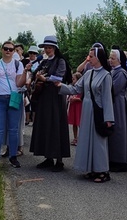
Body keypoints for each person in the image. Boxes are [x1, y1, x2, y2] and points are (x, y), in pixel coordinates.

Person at [58, 47, 114, 183]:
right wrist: (60, 86)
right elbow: (76, 89)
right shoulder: (88, 74)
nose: (89, 59)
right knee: (88, 139)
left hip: (98, 110)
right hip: (87, 109)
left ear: (98, 58)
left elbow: (107, 98)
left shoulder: (106, 75)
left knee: (99, 141)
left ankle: (103, 171)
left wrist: (109, 118)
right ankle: (92, 169)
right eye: (88, 56)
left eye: (91, 56)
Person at [29, 35, 71, 172]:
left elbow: (59, 77)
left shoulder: (61, 61)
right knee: (46, 126)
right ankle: (48, 157)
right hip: (44, 98)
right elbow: (35, 73)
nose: (47, 50)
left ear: (55, 48)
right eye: (46, 48)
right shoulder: (44, 62)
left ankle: (59, 160)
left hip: (56, 97)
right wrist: (36, 75)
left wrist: (44, 78)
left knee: (56, 126)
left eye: (49, 47)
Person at [0, 41, 28, 167]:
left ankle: (13, 156)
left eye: (11, 49)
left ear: (14, 51)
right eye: (6, 49)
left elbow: (19, 83)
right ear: (1, 50)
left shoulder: (17, 64)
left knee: (13, 129)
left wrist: (25, 72)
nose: (8, 51)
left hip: (13, 98)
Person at [108, 49, 127, 172]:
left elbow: (114, 90)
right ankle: (112, 158)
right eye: (110, 58)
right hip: (113, 103)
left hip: (117, 104)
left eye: (112, 58)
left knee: (119, 131)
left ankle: (119, 159)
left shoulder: (121, 73)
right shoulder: (113, 72)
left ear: (119, 60)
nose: (110, 60)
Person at [66, 71, 83, 145]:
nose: (72, 81)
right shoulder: (72, 87)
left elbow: (82, 98)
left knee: (79, 122)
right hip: (73, 106)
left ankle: (81, 138)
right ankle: (75, 138)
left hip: (79, 106)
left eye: (74, 79)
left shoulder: (82, 88)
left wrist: (76, 99)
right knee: (74, 123)